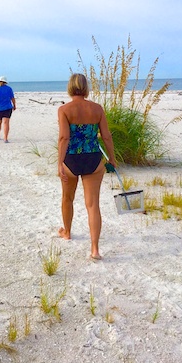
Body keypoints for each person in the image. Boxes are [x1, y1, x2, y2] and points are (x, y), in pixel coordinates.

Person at [57, 73, 117, 260]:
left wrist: (59, 163)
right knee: (93, 205)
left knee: (68, 198)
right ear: (85, 88)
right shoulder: (97, 109)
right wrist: (112, 159)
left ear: (69, 87)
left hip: (71, 160)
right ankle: (95, 249)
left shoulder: (64, 110)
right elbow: (106, 136)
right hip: (93, 160)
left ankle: (67, 232)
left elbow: (64, 138)